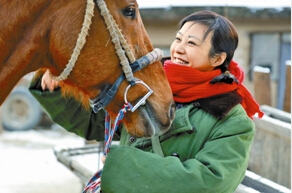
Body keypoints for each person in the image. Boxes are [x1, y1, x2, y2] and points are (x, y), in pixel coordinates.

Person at [29, 10, 263, 193]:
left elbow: (210, 181)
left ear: (218, 58)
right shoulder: (150, 89)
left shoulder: (232, 119)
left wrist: (122, 167)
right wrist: (57, 89)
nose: (178, 49)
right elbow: (100, 124)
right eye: (178, 39)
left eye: (191, 44)